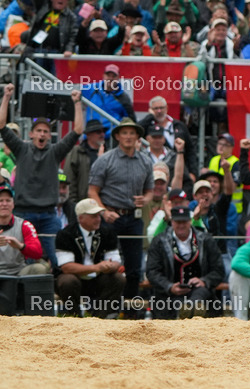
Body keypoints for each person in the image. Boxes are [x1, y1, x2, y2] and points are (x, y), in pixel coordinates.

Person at [0, 84, 84, 268]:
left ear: (49, 135)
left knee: (57, 260)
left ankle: (56, 285)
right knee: (24, 260)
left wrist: (77, 103)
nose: (42, 134)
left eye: (46, 131)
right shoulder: (21, 148)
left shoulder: (55, 151)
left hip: (48, 215)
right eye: (38, 130)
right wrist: (6, 97)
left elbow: (78, 130)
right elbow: (1, 125)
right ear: (31, 134)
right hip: (22, 214)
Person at [87, 116, 154, 314]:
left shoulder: (145, 161)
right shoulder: (105, 160)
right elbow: (92, 191)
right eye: (124, 133)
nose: (128, 136)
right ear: (117, 136)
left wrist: (146, 199)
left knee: (134, 268)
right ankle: (102, 310)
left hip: (134, 217)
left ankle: (130, 312)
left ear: (137, 137)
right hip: (110, 216)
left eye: (132, 133)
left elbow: (150, 190)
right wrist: (103, 212)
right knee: (106, 265)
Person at [145, 206, 225, 319]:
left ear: (190, 221)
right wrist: (169, 286)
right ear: (172, 222)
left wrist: (204, 281)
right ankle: (188, 310)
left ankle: (194, 307)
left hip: (201, 292)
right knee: (175, 304)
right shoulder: (159, 241)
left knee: (200, 296)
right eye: (178, 222)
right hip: (169, 296)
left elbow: (219, 269)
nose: (181, 225)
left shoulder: (206, 240)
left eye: (184, 222)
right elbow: (152, 271)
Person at [54, 199, 126, 317]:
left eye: (99, 215)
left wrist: (110, 266)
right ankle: (75, 316)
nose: (98, 219)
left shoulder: (108, 232)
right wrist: (97, 267)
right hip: (75, 280)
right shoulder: (65, 234)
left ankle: (99, 318)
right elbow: (66, 267)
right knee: (67, 281)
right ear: (80, 218)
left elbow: (116, 261)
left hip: (98, 280)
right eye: (93, 216)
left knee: (118, 279)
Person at [0, 183, 49, 315]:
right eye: (1, 201)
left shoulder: (24, 225)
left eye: (8, 200)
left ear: (13, 204)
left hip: (18, 271)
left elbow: (38, 252)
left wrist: (20, 246)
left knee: (39, 269)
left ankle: (36, 313)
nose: (4, 204)